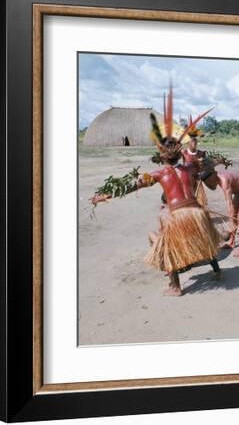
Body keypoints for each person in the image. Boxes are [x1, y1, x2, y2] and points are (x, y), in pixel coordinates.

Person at [92, 85, 220, 296]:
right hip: (197, 212)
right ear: (179, 154)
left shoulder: (160, 173)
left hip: (178, 216)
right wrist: (203, 162)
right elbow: (206, 165)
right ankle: (217, 271)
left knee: (168, 247)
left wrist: (106, 195)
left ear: (161, 156)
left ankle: (175, 286)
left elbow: (133, 186)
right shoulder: (189, 166)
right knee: (204, 239)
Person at [200, 169, 239, 257]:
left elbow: (229, 203)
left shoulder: (224, 181)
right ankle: (232, 242)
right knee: (233, 215)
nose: (209, 183)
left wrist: (232, 221)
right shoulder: (215, 176)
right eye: (207, 182)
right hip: (238, 193)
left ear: (212, 175)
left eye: (209, 181)